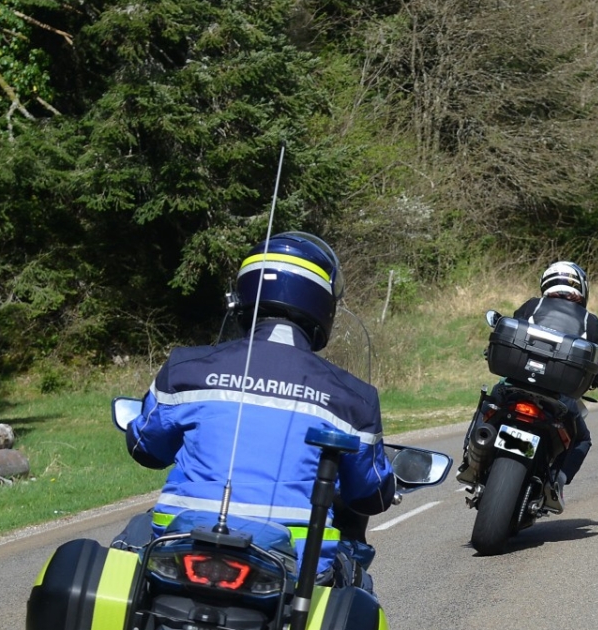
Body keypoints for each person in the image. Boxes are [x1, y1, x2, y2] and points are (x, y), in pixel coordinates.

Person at [122, 232, 396, 575]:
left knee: (125, 547)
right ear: (322, 305)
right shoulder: (354, 398)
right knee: (356, 586)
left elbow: (146, 447)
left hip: (180, 550)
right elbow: (372, 494)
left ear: (241, 296)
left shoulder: (184, 369)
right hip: (297, 569)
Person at [509, 260, 598, 514]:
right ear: (581, 288)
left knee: (489, 402)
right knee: (582, 439)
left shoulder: (531, 306)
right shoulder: (589, 321)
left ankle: (472, 454)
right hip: (557, 396)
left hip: (515, 385)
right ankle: (556, 483)